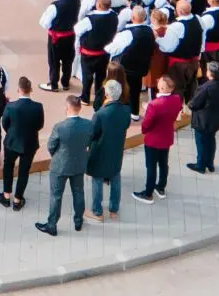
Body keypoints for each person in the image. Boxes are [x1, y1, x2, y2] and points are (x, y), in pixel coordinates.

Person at [35, 95, 91, 236]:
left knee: (56, 196)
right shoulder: (88, 124)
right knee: (78, 192)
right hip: (78, 164)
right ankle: (78, 221)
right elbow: (90, 140)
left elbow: (51, 146)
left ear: (67, 108)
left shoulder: (60, 127)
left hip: (60, 165)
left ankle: (52, 225)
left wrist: (57, 156)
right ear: (80, 108)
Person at [84, 79, 131, 221]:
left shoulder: (100, 114)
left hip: (100, 151)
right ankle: (113, 210)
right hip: (116, 150)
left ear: (106, 93)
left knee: (97, 179)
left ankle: (97, 211)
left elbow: (91, 134)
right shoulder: (125, 110)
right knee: (115, 177)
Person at [0, 76, 43, 210]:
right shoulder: (38, 107)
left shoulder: (11, 106)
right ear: (31, 89)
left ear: (18, 90)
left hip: (12, 142)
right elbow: (40, 125)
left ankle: (6, 196)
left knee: (8, 167)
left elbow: (5, 123)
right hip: (30, 143)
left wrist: (11, 133)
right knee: (24, 171)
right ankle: (17, 200)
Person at [133, 75, 182, 204]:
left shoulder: (154, 105)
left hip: (153, 139)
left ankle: (148, 193)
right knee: (163, 163)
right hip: (166, 136)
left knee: (151, 166)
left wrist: (147, 110)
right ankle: (161, 187)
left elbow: (146, 124)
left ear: (161, 88)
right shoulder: (176, 99)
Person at [37, 0, 81, 92]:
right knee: (67, 60)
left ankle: (53, 84)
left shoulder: (54, 6)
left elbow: (44, 23)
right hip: (70, 36)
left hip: (56, 39)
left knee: (54, 61)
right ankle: (65, 82)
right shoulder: (76, 0)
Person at [185, 61, 219, 174]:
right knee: (211, 141)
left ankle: (200, 165)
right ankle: (210, 164)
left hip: (202, 120)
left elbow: (194, 104)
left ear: (210, 73)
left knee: (201, 143)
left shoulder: (206, 87)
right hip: (216, 119)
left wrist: (189, 104)